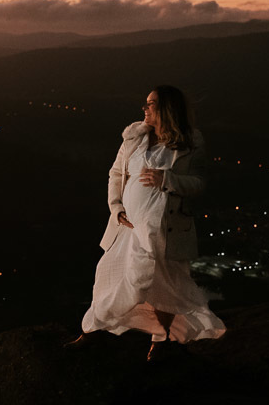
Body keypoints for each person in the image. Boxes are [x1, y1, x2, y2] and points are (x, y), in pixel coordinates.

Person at [66, 85, 225, 361]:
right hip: (127, 227)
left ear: (167, 109)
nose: (145, 108)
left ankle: (160, 339)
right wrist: (116, 208)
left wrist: (168, 180)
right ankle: (91, 331)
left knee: (165, 286)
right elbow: (115, 174)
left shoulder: (191, 141)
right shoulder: (135, 138)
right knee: (108, 277)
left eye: (151, 104)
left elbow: (199, 183)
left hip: (165, 228)